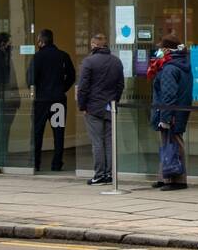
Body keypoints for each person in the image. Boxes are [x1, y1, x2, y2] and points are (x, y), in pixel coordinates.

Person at [77, 33, 125, 186]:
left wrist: (82, 106)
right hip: (109, 106)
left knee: (97, 142)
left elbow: (83, 87)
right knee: (110, 142)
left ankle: (99, 175)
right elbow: (120, 85)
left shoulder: (89, 62)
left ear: (93, 45)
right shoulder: (116, 62)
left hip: (93, 107)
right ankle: (110, 175)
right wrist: (114, 101)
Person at [27, 29, 76, 172]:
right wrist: (62, 89)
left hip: (41, 101)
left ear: (41, 41)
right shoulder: (63, 56)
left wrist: (37, 90)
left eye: (38, 40)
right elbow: (72, 76)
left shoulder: (38, 57)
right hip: (58, 100)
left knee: (37, 132)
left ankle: (35, 163)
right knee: (58, 132)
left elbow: (30, 79)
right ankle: (56, 163)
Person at [150, 37, 193, 191]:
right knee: (167, 144)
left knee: (173, 143)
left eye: (161, 48)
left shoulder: (169, 68)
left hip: (171, 112)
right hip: (178, 110)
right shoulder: (180, 65)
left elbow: (168, 95)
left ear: (167, 50)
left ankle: (178, 180)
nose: (158, 51)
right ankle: (164, 177)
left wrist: (165, 117)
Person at [0, 33, 21, 169]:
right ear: (2, 44)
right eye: (9, 43)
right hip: (2, 99)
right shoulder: (0, 58)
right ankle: (0, 159)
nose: (11, 46)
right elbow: (7, 81)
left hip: (0, 98)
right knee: (2, 130)